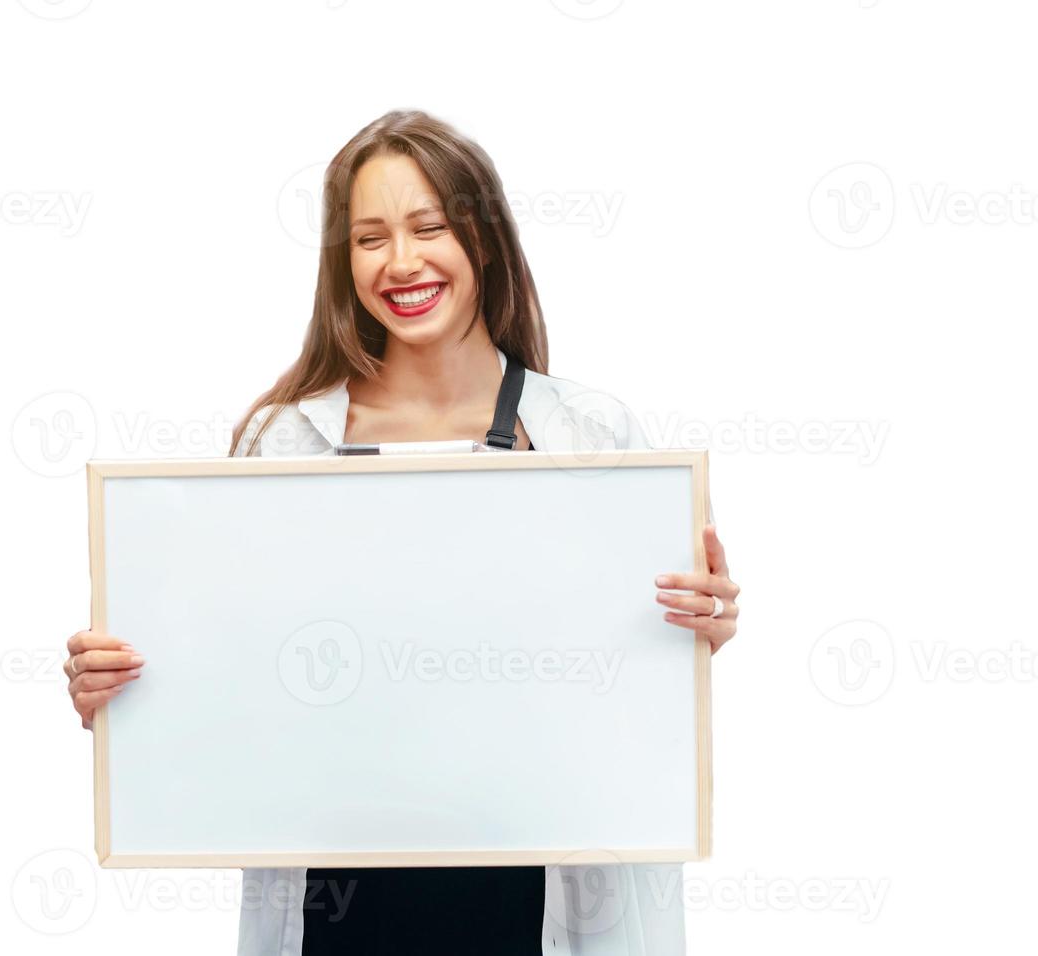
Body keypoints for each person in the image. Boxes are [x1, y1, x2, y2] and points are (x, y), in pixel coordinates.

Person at [64, 109, 741, 955]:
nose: (402, 261)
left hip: (538, 892)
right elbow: (224, 672)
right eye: (370, 237)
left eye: (429, 227)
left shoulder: (593, 433)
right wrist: (120, 693)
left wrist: (700, 628)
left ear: (483, 241)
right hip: (338, 899)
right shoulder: (279, 444)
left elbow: (637, 680)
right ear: (341, 262)